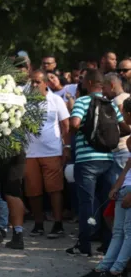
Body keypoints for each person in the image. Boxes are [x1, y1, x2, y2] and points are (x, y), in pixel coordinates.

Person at [66, 69, 131, 257]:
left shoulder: (82, 101)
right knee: (106, 201)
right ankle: (108, 243)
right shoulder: (109, 104)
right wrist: (106, 138)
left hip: (87, 160)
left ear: (88, 83)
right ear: (101, 85)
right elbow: (125, 129)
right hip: (108, 158)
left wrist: (88, 135)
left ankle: (84, 245)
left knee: (86, 202)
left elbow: (75, 123)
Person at [24, 70, 70, 238]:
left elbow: (65, 126)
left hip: (52, 151)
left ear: (45, 83)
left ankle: (58, 224)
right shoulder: (24, 101)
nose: (34, 85)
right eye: (32, 82)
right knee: (33, 190)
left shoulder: (56, 100)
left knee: (55, 189)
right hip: (29, 153)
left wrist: (67, 147)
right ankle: (38, 224)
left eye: (37, 82)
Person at [82, 142, 131, 277]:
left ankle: (117, 270)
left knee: (128, 232)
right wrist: (116, 188)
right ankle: (104, 267)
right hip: (123, 191)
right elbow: (126, 171)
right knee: (117, 231)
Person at [102, 73, 130, 170]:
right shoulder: (128, 97)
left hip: (121, 149)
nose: (103, 92)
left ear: (112, 85)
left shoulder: (117, 101)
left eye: (104, 88)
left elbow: (123, 126)